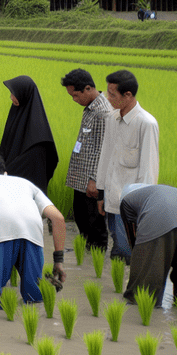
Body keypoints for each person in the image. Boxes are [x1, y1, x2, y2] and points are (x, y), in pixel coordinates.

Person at [0, 153, 67, 309]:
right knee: (35, 299)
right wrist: (58, 261)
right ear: (5, 173)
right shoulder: (27, 184)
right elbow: (58, 219)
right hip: (33, 231)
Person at [95, 70, 160, 262]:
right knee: (118, 250)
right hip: (111, 201)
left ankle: (129, 289)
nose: (108, 98)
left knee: (126, 253)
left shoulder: (146, 123)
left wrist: (141, 209)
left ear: (128, 95)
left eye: (112, 95)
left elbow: (149, 169)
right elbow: (105, 157)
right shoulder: (112, 119)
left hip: (131, 207)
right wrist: (101, 193)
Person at [118, 184, 177, 306]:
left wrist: (139, 261)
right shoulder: (166, 192)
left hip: (158, 219)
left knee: (143, 293)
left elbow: (132, 235)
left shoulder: (127, 201)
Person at [60, 69, 111, 252]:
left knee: (94, 224)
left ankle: (97, 256)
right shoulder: (90, 108)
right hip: (80, 179)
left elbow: (102, 150)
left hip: (90, 182)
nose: (73, 99)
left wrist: (94, 180)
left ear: (88, 88)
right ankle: (88, 253)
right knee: (82, 219)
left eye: (75, 95)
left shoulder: (102, 112)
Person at [0, 75, 58, 194]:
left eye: (14, 93)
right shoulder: (17, 112)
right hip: (10, 178)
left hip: (26, 185)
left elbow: (31, 161)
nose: (11, 97)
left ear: (23, 94)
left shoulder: (38, 129)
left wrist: (4, 172)